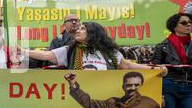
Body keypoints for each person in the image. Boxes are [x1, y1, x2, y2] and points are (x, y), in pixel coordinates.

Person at [22, 22, 167, 72]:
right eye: (78, 28)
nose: (78, 30)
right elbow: (46, 55)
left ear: (93, 33)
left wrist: (154, 69)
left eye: (83, 28)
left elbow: (127, 66)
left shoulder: (110, 52)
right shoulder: (70, 50)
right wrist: (22, 51)